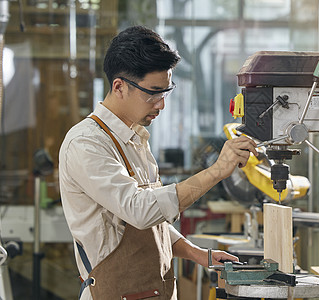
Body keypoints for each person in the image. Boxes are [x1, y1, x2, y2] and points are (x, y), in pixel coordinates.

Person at [59, 25, 257, 300]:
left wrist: (197, 254)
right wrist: (217, 172)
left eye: (166, 92)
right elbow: (140, 211)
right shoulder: (86, 144)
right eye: (153, 93)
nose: (161, 105)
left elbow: (154, 223)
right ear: (119, 86)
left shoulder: (136, 138)